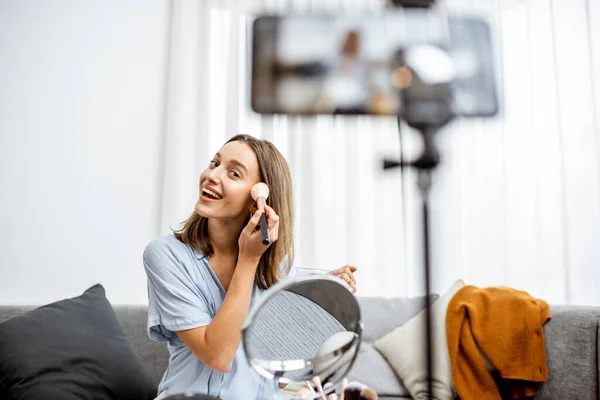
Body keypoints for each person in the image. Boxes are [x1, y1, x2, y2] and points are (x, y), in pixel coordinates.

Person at [143, 134, 358, 400]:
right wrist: (248, 260)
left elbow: (279, 361)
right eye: (214, 163)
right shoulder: (166, 255)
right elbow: (218, 357)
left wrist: (318, 300)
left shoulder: (277, 264)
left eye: (233, 173)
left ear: (258, 200)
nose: (212, 174)